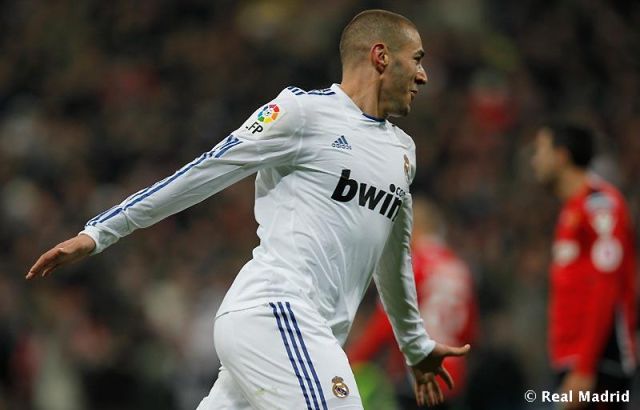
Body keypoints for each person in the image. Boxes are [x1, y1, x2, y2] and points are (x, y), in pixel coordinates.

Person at [27, 9, 470, 409]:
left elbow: (393, 256)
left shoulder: (402, 152)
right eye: (417, 59)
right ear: (380, 56)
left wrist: (415, 345)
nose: (423, 75)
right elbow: (205, 171)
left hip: (305, 337)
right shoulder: (302, 113)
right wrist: (100, 232)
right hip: (277, 311)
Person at [531, 123, 637, 410]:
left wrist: (585, 367)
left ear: (561, 156)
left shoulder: (600, 204)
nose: (534, 161)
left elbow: (607, 286)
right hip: (573, 359)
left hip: (600, 362)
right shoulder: (572, 210)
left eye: (540, 150)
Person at [348, 197, 477, 409]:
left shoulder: (413, 263)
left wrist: (351, 360)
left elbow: (386, 323)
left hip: (416, 377)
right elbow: (470, 332)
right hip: (453, 378)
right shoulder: (458, 268)